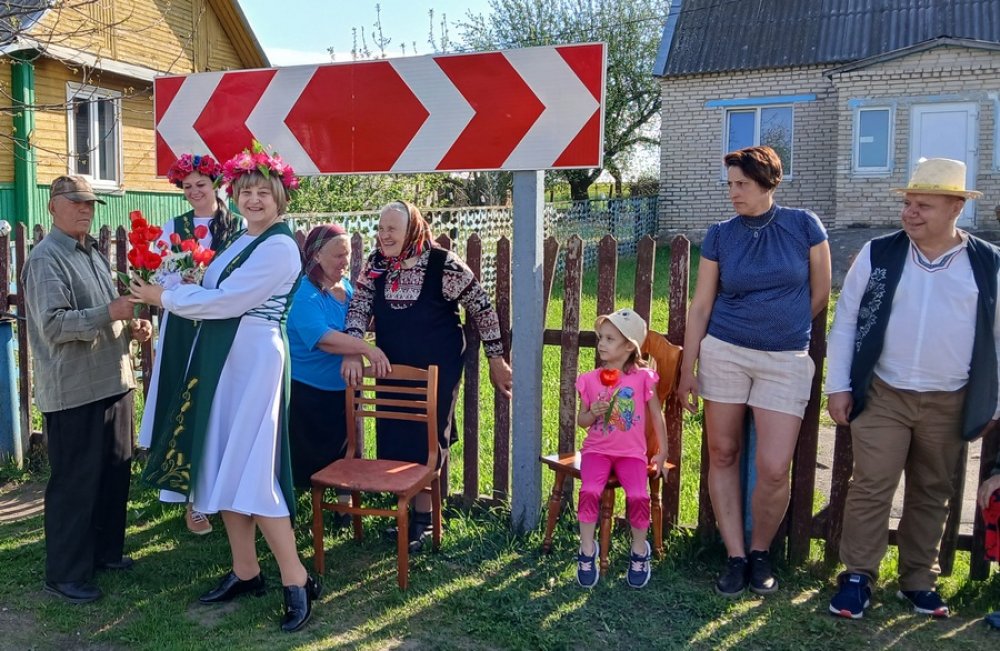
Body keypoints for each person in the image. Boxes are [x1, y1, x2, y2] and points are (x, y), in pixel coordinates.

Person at [129, 144, 320, 632]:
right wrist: (179, 283)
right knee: (224, 462)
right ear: (234, 195)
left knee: (253, 469)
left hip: (254, 360)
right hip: (227, 359)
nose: (253, 200)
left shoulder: (278, 246)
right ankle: (246, 570)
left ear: (280, 198)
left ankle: (297, 579)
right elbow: (213, 287)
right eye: (246, 192)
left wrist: (166, 296)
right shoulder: (242, 241)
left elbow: (228, 301)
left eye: (263, 193)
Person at [825, 157, 1000, 620]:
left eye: (924, 205)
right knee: (871, 485)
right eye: (908, 203)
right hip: (884, 392)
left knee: (932, 490)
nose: (910, 212)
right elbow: (846, 322)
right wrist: (838, 386)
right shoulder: (878, 253)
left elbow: (999, 338)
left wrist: (994, 403)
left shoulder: (988, 263)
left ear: (956, 207)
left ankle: (919, 580)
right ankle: (857, 576)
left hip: (951, 398)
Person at [676, 145, 831, 597]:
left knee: (775, 466)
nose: (734, 193)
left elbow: (820, 294)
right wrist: (688, 369)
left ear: (768, 182)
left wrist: (783, 326)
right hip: (725, 351)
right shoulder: (721, 235)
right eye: (730, 184)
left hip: (785, 359)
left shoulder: (804, 226)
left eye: (742, 184)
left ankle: (761, 551)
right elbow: (701, 305)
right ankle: (735, 556)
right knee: (723, 452)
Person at [342, 200, 513, 551]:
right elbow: (358, 307)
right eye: (381, 228)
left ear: (412, 230)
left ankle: (424, 520)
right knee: (396, 433)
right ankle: (406, 515)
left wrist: (496, 359)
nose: (384, 235)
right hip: (391, 366)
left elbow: (482, 307)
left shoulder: (442, 264)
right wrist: (353, 348)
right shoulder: (376, 265)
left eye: (392, 228)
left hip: (437, 367)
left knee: (428, 437)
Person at [22, 175, 153, 604]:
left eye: (90, 203)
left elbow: (105, 315)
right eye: (76, 201)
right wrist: (110, 312)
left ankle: (104, 553)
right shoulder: (46, 259)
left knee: (115, 473)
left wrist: (131, 328)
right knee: (76, 483)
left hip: (114, 380)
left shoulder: (93, 252)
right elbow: (54, 325)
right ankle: (64, 573)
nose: (85, 209)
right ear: (52, 206)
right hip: (74, 390)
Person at [138, 152, 242, 536]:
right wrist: (182, 281)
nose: (195, 191)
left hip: (224, 324)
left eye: (201, 184)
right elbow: (158, 274)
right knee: (185, 400)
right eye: (187, 186)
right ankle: (189, 498)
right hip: (183, 325)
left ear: (215, 184)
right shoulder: (174, 227)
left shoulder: (238, 226)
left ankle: (222, 492)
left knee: (219, 404)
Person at [287, 224, 390, 498]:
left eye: (348, 254)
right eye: (338, 255)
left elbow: (354, 326)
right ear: (317, 255)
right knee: (309, 463)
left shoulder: (345, 286)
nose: (345, 262)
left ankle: (344, 508)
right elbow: (323, 338)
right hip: (309, 392)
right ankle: (306, 511)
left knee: (346, 455)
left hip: (344, 389)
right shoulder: (303, 294)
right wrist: (367, 350)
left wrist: (352, 353)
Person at [574, 308, 668, 589]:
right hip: (596, 451)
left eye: (610, 339)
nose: (601, 344)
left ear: (629, 346)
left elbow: (656, 415)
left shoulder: (643, 378)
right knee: (590, 491)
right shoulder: (590, 379)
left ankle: (639, 550)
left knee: (639, 496)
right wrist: (593, 412)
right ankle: (587, 550)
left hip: (631, 454)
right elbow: (582, 421)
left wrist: (662, 451)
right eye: (601, 337)